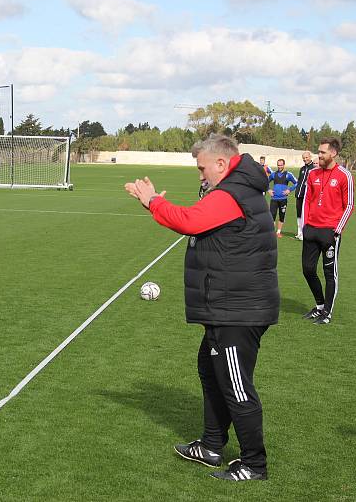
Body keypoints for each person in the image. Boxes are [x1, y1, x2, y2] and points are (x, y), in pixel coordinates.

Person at [125, 134, 278, 482]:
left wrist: (152, 203)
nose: (200, 175)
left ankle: (254, 464)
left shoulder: (232, 193)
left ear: (222, 164)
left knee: (236, 385)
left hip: (239, 310)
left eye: (202, 168)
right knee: (211, 374)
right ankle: (211, 446)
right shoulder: (233, 189)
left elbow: (190, 221)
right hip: (226, 306)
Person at [301, 138, 354, 325]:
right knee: (307, 269)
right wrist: (304, 226)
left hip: (330, 232)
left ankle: (327, 313)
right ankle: (320, 305)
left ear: (333, 153)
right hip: (311, 230)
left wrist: (337, 231)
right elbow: (307, 200)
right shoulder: (312, 173)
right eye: (319, 152)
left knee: (329, 273)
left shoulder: (344, 175)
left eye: (322, 152)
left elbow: (349, 205)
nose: (319, 155)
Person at [267, 159, 297, 238]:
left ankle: (278, 232)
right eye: (278, 165)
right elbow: (265, 181)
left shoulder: (288, 174)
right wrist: (268, 189)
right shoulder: (273, 174)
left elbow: (297, 183)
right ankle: (272, 232)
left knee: (281, 215)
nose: (279, 166)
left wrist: (289, 190)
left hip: (283, 199)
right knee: (272, 216)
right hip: (274, 199)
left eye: (281, 165)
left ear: (284, 165)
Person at [294, 151, 317, 240]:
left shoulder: (313, 168)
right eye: (303, 158)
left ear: (310, 157)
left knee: (306, 214)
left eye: (306, 157)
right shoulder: (302, 168)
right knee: (299, 214)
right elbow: (299, 181)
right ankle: (299, 233)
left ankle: (305, 233)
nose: (305, 159)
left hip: (307, 196)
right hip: (299, 195)